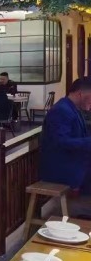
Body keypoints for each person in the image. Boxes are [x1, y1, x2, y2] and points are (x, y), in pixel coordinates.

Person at [39, 78, 91, 215]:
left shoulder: (72, 108)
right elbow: (60, 142)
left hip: (70, 161)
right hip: (60, 168)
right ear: (80, 93)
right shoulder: (61, 110)